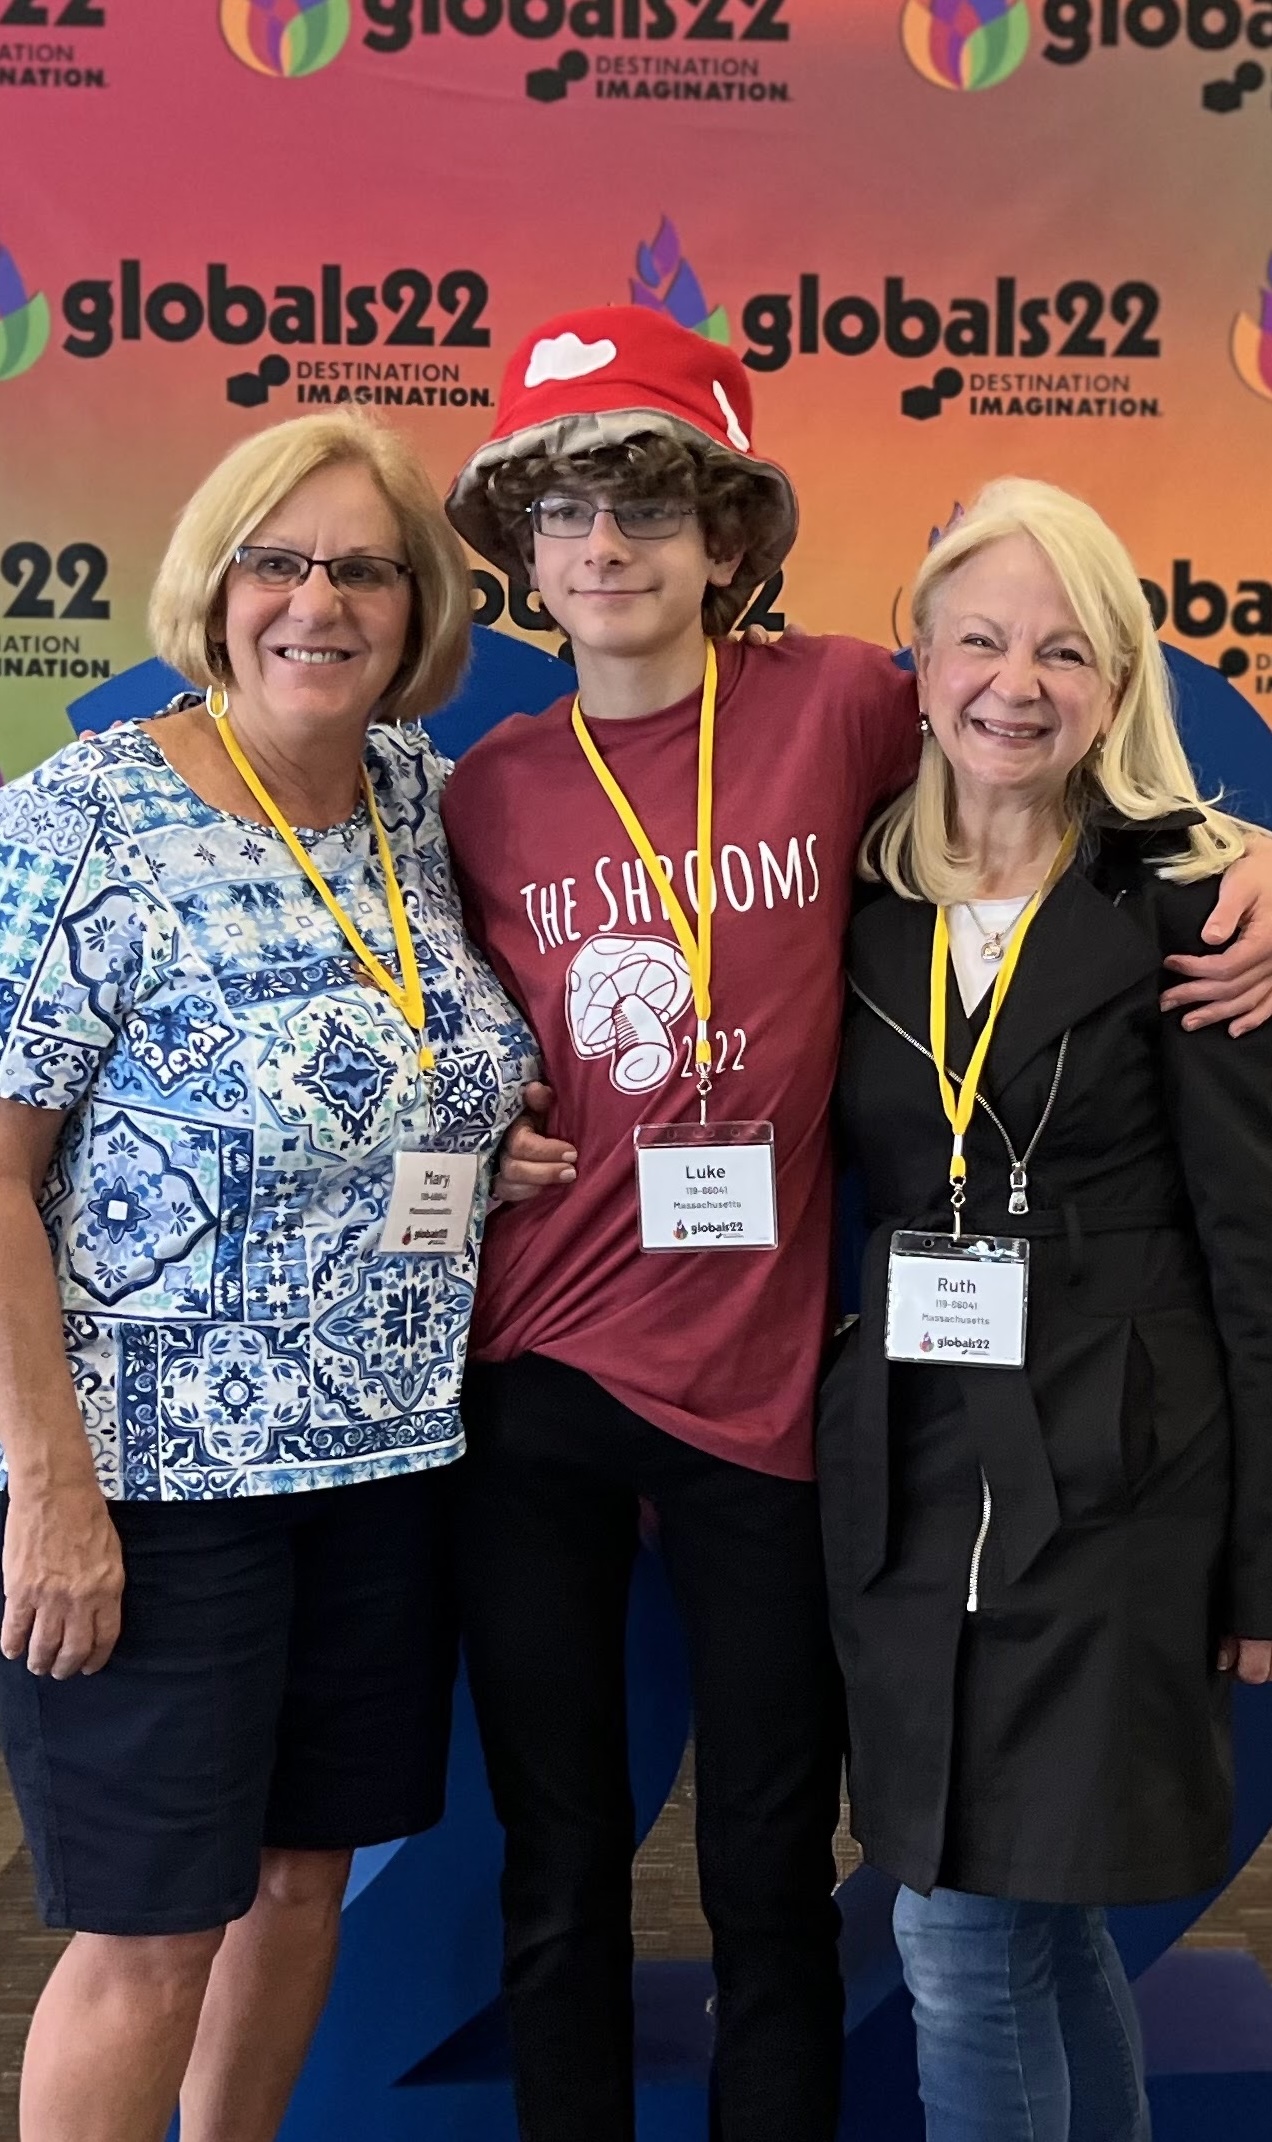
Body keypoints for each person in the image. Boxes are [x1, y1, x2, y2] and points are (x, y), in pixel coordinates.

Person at [440, 306, 1272, 2142]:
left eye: (651, 506)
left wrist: (1258, 858)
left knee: (781, 1868)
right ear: (519, 552)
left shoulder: (841, 703)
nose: (605, 547)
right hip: (550, 1366)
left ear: (731, 537)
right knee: (560, 1856)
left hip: (784, 1397)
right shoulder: (481, 791)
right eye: (563, 512)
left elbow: (1064, 733)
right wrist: (472, 1140)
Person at [0, 411, 535, 2142]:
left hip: (389, 1466)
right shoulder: (86, 818)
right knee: (151, 1930)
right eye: (278, 562)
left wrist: (486, 1145)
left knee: (304, 1881)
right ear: (213, 586)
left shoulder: (415, 794)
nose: (320, 601)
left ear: (419, 605)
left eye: (365, 568)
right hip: (155, 1488)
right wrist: (51, 1489)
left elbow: (403, 1068)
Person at [817, 476, 1272, 2142]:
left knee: (960, 1928)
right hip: (911, 1473)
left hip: (1116, 1479)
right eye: (983, 642)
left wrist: (1265, 1560)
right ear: (920, 661)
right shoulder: (855, 895)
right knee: (1030, 1913)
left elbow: (1258, 1252)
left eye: (1065, 651)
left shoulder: (1198, 906)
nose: (1017, 683)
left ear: (1119, 683)